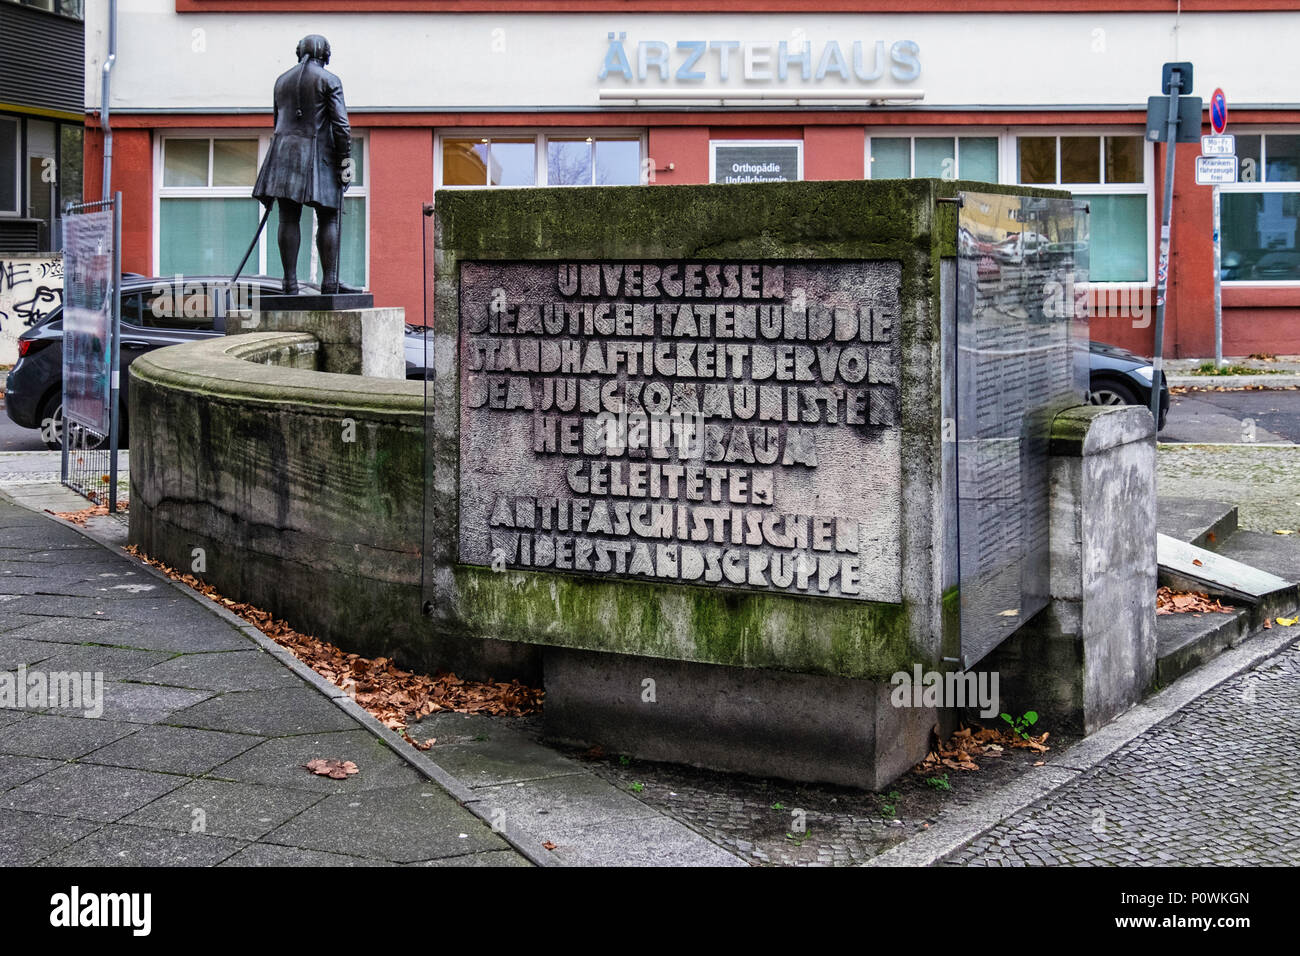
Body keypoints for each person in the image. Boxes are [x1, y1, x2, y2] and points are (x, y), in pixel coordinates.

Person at [252, 34, 356, 295]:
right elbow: (341, 126)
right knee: (329, 217)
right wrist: (346, 164)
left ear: (299, 52)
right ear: (326, 55)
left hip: (283, 155)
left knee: (288, 217)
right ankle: (330, 283)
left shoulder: (281, 81)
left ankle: (289, 283)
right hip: (318, 155)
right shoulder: (330, 80)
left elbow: (277, 122)